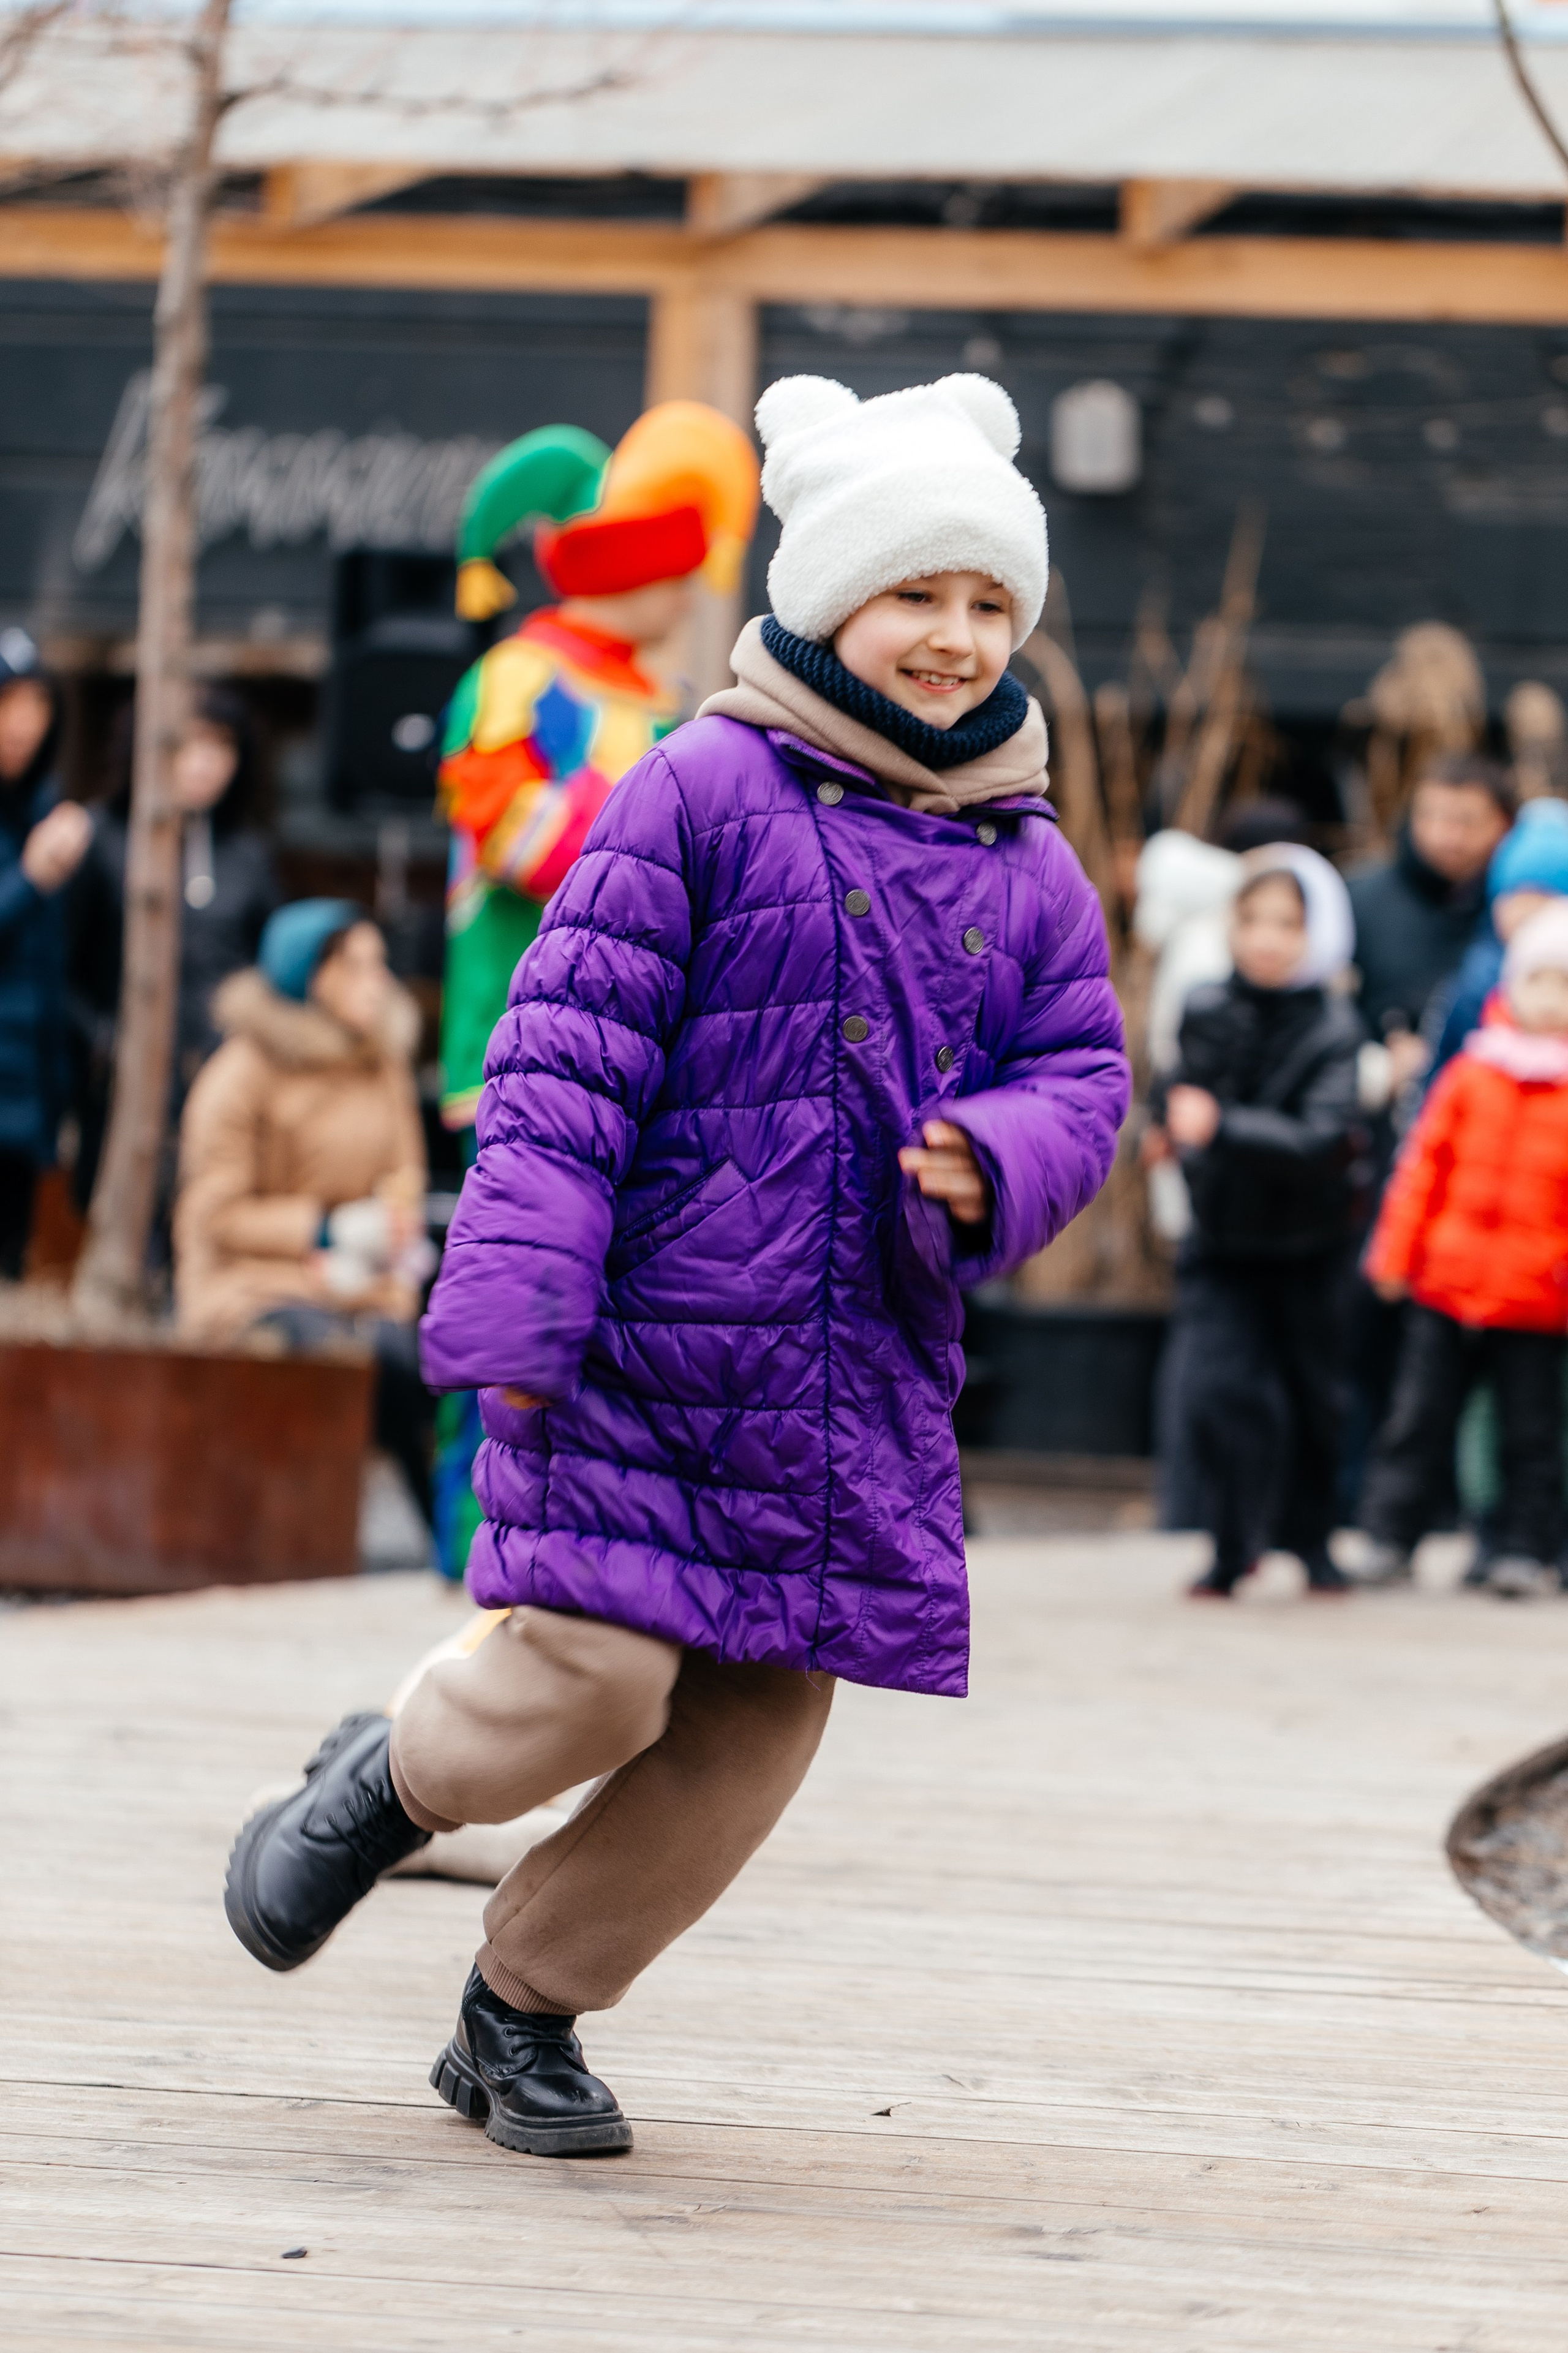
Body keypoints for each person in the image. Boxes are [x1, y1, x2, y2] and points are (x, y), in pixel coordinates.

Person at [222, 369, 1129, 2158]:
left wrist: (1003, 1153)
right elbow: (566, 1050)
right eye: (912, 593)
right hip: (648, 1337)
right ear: (823, 597)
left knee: (755, 1725)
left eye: (982, 603)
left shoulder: (1025, 862)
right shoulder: (699, 790)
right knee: (595, 1668)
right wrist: (515, 1292)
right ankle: (389, 1774)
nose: (950, 637)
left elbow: (1082, 1071)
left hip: (853, 1368)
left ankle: (522, 2009)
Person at [431, 402, 761, 1579]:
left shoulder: (672, 702)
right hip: (513, 1039)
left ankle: (573, 1524)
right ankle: (469, 1531)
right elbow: (504, 817)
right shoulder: (521, 677)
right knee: (505, 1281)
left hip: (645, 1057)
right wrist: (654, 855)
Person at [1147, 845, 1364, 1599]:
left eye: (1289, 923)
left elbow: (1324, 1137)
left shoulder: (1335, 1027)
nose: (1268, 938)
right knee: (1219, 1392)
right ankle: (1230, 1545)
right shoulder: (1204, 1004)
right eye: (1253, 919)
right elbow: (1177, 1087)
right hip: (1221, 1240)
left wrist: (1220, 1128)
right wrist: (1163, 1127)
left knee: (1313, 1396)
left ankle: (1312, 1542)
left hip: (1310, 1245)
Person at [173, 900, 434, 1524]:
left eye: (380, 963)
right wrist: (324, 1230)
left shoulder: (384, 1060)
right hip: (251, 1283)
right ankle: (280, 1531)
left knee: (411, 1357)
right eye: (355, 966)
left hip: (359, 1281)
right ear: (306, 976)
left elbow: (405, 1176)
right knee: (321, 1351)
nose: (379, 981)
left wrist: (391, 1238)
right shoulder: (241, 1073)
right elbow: (214, 1215)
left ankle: (447, 1533)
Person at [1355, 903, 1568, 1601]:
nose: (1554, 1002)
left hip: (1536, 1299)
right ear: (1513, 985)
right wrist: (1394, 1256)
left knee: (1529, 1433)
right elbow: (1421, 1170)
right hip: (1445, 1283)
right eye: (1544, 982)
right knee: (1417, 1417)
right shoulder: (1471, 1074)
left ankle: (1521, 1547)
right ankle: (1390, 1533)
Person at [70, 685, 279, 1207]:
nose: (205, 765)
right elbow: (65, 964)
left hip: (218, 1078)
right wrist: (102, 1038)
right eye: (190, 746)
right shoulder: (101, 838)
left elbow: (267, 969)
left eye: (221, 748)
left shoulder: (249, 857)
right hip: (121, 1078)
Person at [0, 629, 91, 1277]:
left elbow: (62, 970)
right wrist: (30, 880)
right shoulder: (41, 849)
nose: (23, 724)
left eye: (37, 704)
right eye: (8, 703)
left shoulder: (48, 811)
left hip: (27, 1107)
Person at [1423, 796, 1568, 1084]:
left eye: (1541, 900)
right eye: (1514, 898)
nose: (1524, 914)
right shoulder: (1473, 979)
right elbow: (1441, 1067)